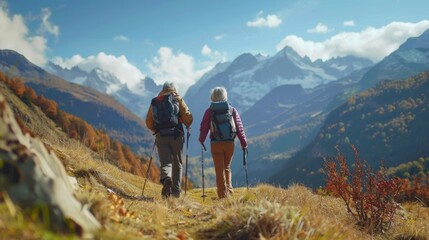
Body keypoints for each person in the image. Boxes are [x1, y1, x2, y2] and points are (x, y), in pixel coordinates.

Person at [146, 81, 193, 198]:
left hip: (161, 136)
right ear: (174, 89)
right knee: (177, 163)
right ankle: (176, 193)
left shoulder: (156, 101)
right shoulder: (177, 98)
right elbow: (188, 119)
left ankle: (167, 178)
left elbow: (148, 122)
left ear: (163, 88)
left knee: (166, 162)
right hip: (176, 135)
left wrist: (157, 130)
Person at [199, 86, 247, 199]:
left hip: (215, 143)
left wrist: (201, 140)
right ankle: (229, 192)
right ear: (224, 96)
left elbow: (204, 127)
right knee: (227, 167)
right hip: (230, 143)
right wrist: (244, 143)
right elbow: (239, 128)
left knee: (219, 170)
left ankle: (222, 196)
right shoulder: (232, 110)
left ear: (212, 97)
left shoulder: (209, 111)